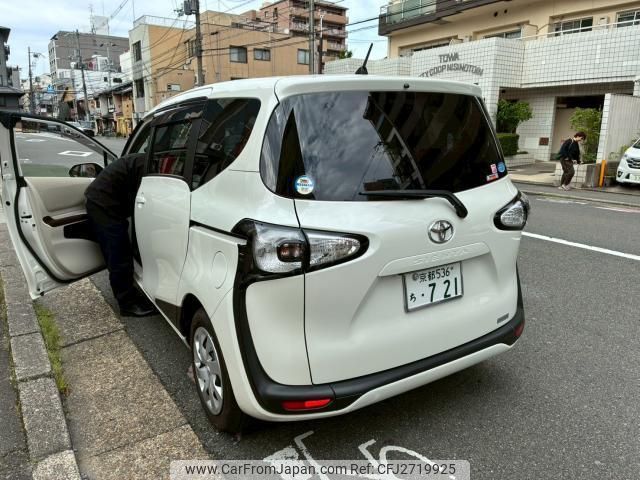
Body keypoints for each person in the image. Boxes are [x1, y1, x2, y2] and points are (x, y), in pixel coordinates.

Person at [85, 153, 157, 317]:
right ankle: (127, 304)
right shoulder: (147, 166)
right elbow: (145, 199)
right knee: (118, 254)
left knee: (120, 251)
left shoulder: (145, 161)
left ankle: (129, 293)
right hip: (102, 204)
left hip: (108, 201)